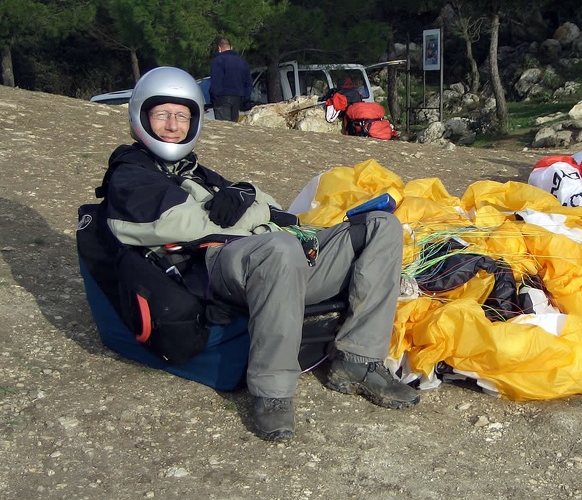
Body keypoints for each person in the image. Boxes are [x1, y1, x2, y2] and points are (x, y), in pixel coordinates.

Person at [97, 66, 420, 441]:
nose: (172, 125)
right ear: (141, 117)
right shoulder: (131, 175)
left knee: (381, 226)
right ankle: (272, 392)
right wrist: (249, 209)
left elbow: (269, 205)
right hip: (218, 267)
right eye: (162, 114)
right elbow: (178, 223)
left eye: (182, 115)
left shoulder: (194, 170)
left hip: (273, 259)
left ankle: (358, 361)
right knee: (280, 248)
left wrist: (246, 193)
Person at [209, 37, 252, 122]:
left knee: (224, 128)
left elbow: (216, 82)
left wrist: (213, 98)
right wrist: (246, 98)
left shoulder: (218, 61)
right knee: (233, 127)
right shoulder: (242, 61)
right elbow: (248, 82)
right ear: (231, 47)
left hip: (222, 98)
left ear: (219, 48)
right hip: (237, 97)